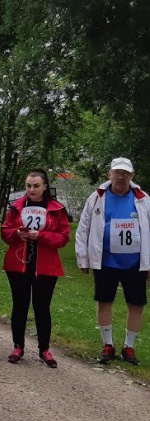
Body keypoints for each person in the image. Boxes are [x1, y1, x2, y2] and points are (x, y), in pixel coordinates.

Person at [75, 157, 149, 366]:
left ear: (132, 176)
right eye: (117, 172)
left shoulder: (143, 199)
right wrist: (83, 257)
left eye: (125, 173)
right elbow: (83, 228)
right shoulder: (97, 198)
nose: (121, 176)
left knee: (136, 304)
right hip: (105, 261)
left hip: (135, 263)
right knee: (104, 301)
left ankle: (129, 346)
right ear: (109, 174)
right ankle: (108, 344)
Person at [1, 169, 70, 368]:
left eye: (36, 186)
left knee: (42, 308)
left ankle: (44, 350)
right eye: (29, 186)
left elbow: (63, 237)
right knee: (19, 306)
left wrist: (40, 236)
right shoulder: (16, 207)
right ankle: (18, 346)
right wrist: (18, 234)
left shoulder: (56, 209)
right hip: (18, 265)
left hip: (45, 266)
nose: (32, 189)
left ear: (45, 187)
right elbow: (5, 232)